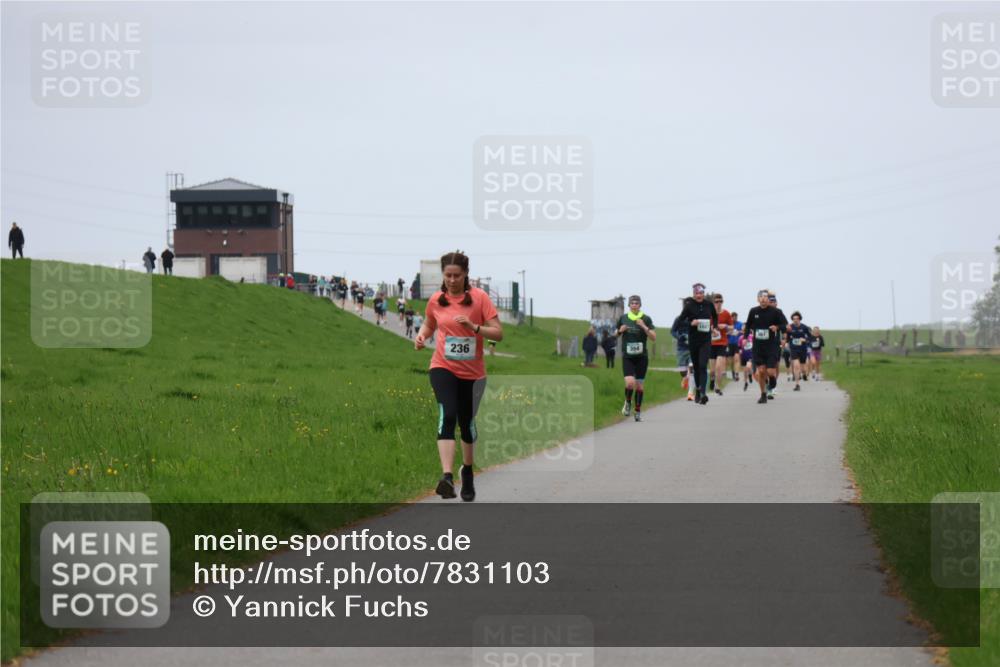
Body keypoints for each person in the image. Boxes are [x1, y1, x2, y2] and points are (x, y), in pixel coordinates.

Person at [415, 250, 502, 502]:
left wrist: (474, 327)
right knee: (447, 415)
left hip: (473, 374)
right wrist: (422, 336)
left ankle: (468, 472)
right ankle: (446, 477)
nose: (452, 280)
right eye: (448, 275)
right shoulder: (435, 300)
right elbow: (429, 324)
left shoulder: (480, 298)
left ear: (466, 275)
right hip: (443, 366)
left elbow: (498, 333)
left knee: (467, 424)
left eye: (457, 275)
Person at [616, 295, 655, 422]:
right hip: (628, 357)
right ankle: (627, 403)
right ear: (629, 305)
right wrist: (620, 331)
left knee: (639, 386)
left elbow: (653, 337)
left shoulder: (646, 318)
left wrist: (644, 326)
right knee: (630, 383)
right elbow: (614, 336)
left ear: (640, 305)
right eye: (632, 303)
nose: (634, 305)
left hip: (641, 357)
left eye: (636, 303)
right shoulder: (623, 318)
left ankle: (637, 411)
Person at [745, 289, 788, 403]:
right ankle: (763, 394)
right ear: (758, 299)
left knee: (769, 372)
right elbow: (748, 325)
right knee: (761, 371)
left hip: (772, 346)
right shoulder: (753, 311)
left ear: (768, 299)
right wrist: (745, 338)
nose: (763, 299)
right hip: (758, 346)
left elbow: (785, 325)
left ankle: (773, 379)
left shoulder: (776, 312)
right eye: (761, 297)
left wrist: (777, 327)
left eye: (765, 297)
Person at [677, 283, 717, 405]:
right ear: (693, 294)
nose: (699, 295)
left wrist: (714, 327)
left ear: (703, 294)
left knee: (702, 365)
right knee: (696, 367)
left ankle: (703, 393)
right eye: (697, 293)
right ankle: (698, 390)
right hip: (694, 340)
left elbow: (715, 317)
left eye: (701, 293)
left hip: (705, 339)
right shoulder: (689, 306)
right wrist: (691, 323)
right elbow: (680, 320)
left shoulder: (709, 305)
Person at [709, 293, 733, 396]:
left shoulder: (726, 313)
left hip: (722, 343)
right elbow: (705, 326)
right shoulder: (709, 313)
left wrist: (726, 326)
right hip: (711, 343)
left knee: (719, 366)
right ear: (713, 303)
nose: (718, 304)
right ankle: (712, 379)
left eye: (720, 301)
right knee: (712, 370)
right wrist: (712, 329)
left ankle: (718, 387)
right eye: (716, 302)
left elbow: (732, 327)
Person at [671, 312, 695, 402]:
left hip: (693, 349)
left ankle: (690, 393)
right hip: (681, 349)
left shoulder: (695, 319)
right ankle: (685, 378)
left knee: (692, 368)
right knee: (683, 371)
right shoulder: (678, 319)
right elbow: (672, 331)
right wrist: (679, 336)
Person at [787, 311, 811, 391]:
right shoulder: (790, 327)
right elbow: (786, 337)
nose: (795, 320)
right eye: (794, 319)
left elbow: (810, 338)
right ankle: (797, 384)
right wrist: (786, 342)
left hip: (803, 349)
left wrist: (805, 339)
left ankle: (804, 374)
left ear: (800, 319)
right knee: (796, 366)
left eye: (797, 319)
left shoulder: (804, 327)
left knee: (803, 368)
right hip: (794, 349)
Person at [727, 312, 742, 380]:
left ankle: (737, 374)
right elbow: (724, 333)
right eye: (733, 317)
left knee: (736, 359)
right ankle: (733, 372)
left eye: (736, 317)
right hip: (729, 344)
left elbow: (744, 331)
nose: (734, 318)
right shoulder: (728, 325)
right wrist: (729, 333)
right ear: (731, 317)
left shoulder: (740, 324)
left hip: (737, 344)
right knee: (731, 361)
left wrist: (739, 332)